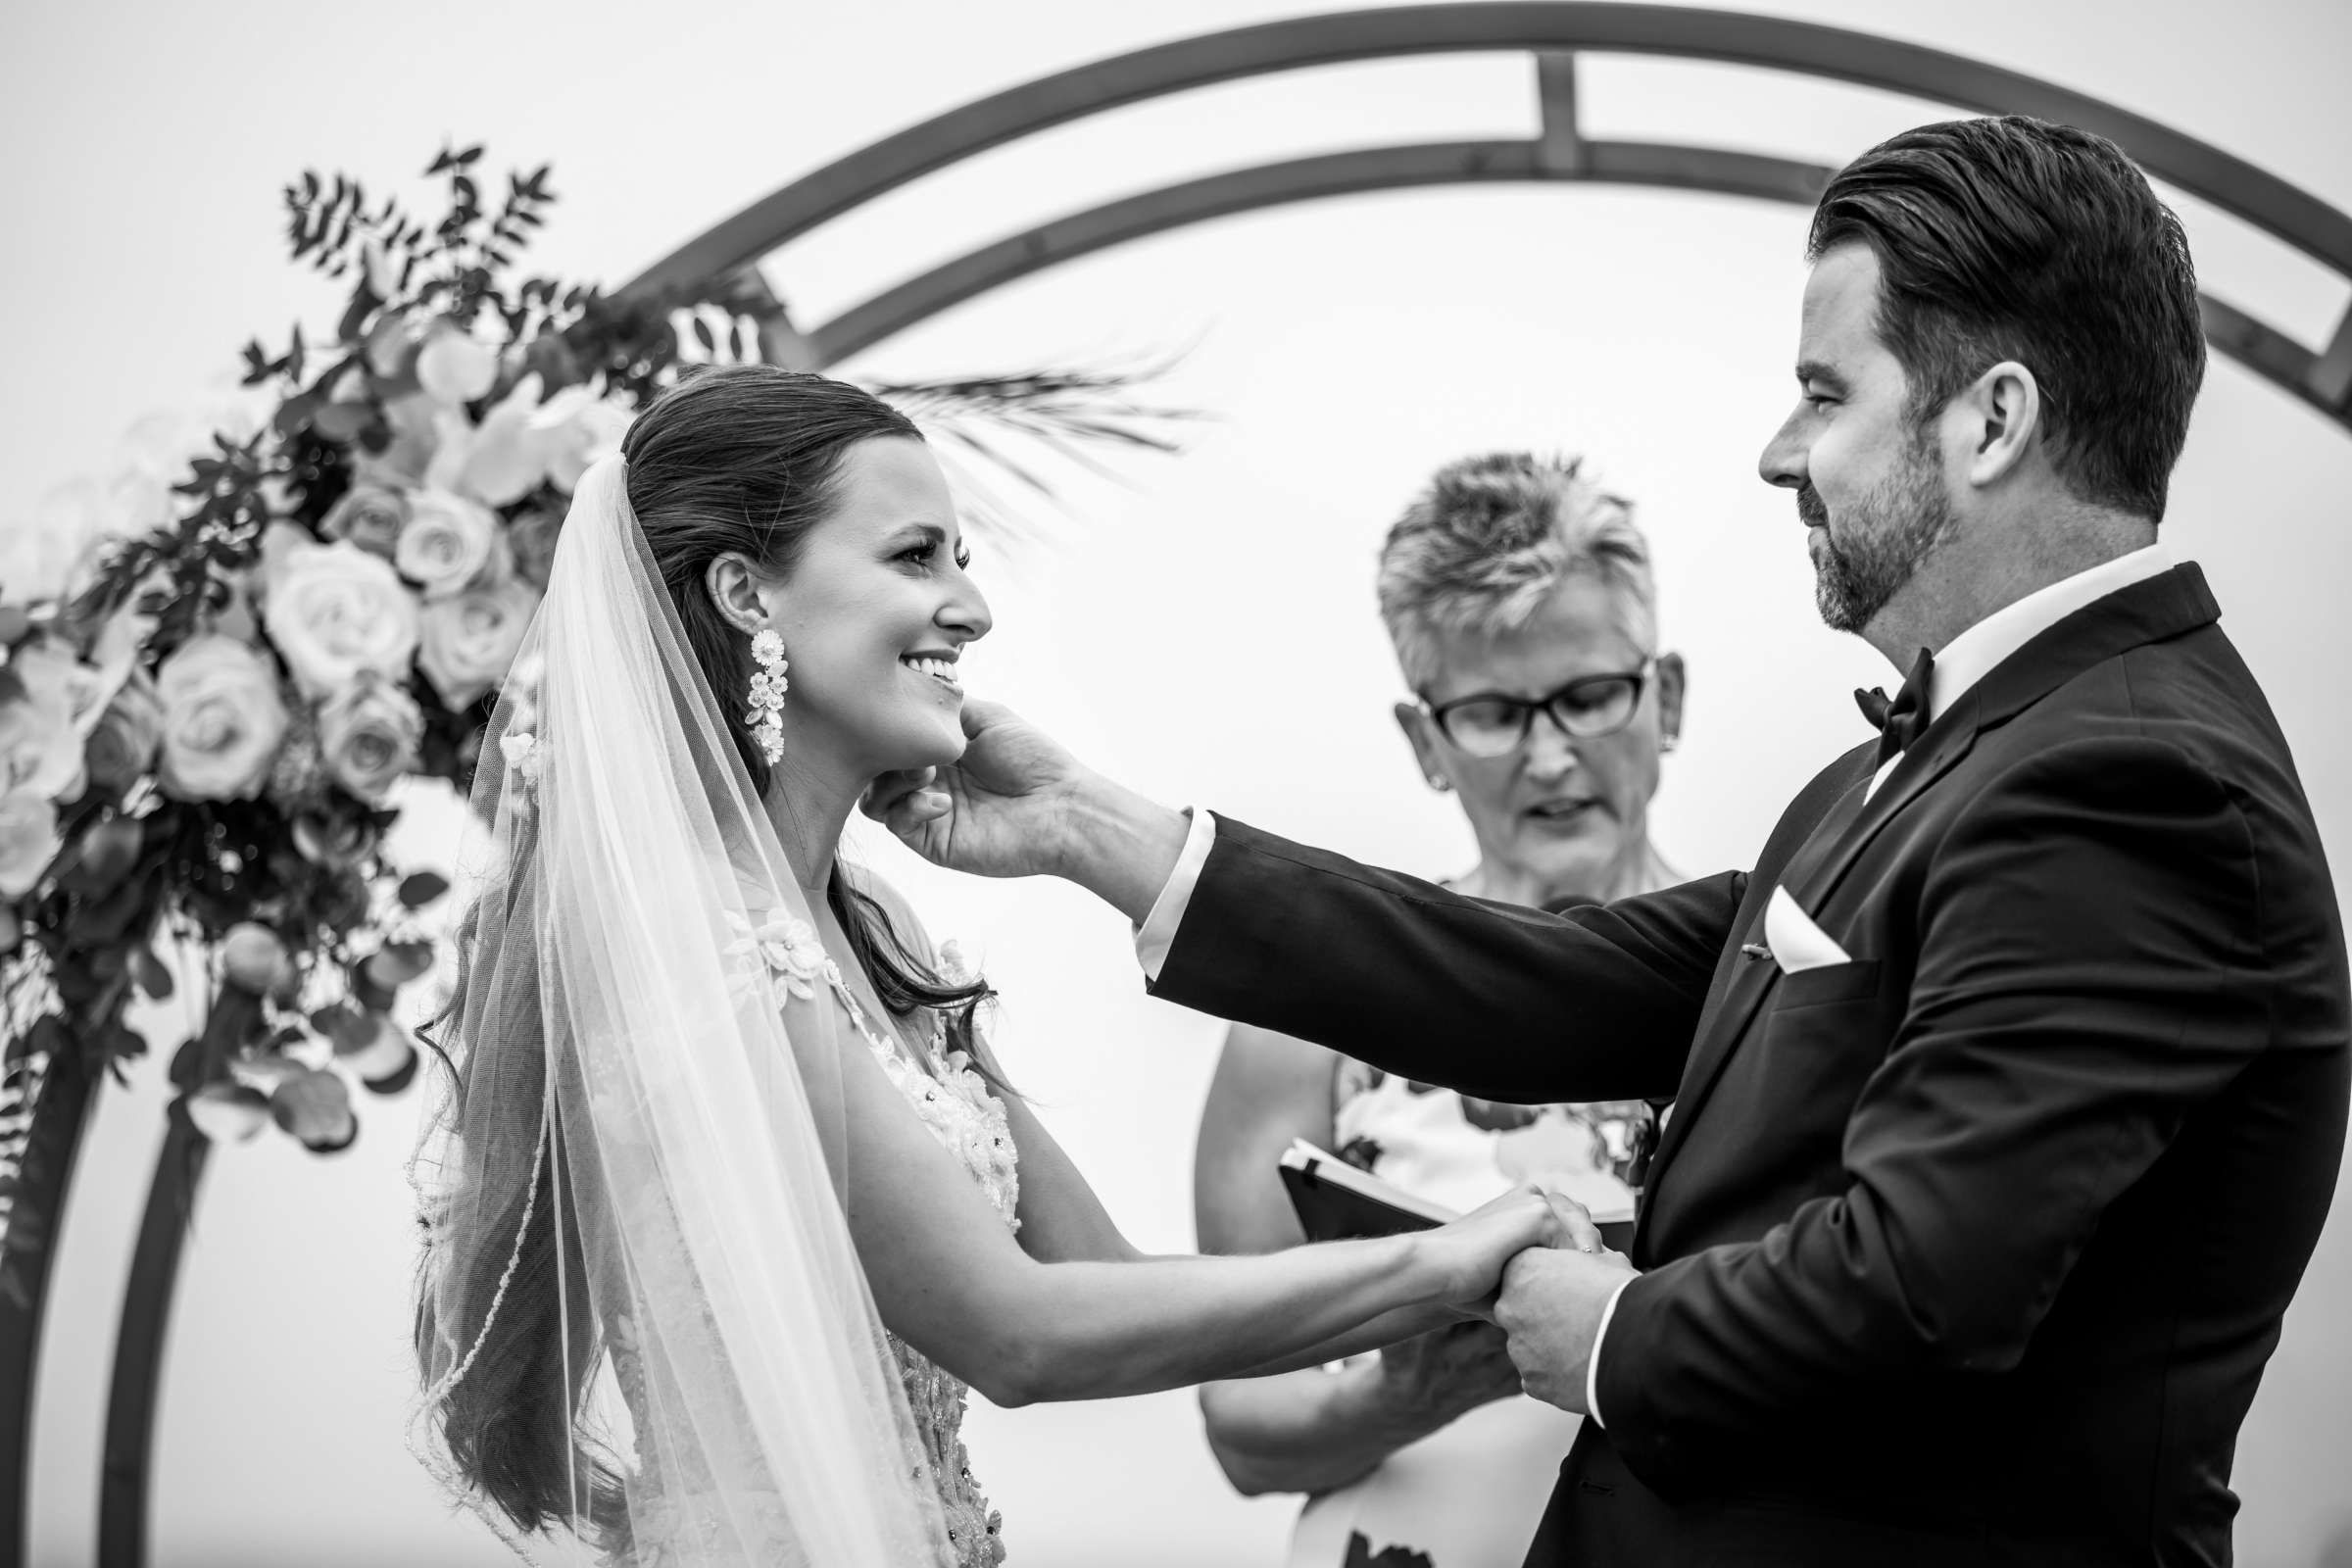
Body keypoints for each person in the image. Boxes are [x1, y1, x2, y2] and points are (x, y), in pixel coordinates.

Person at [868, 116, 2351, 1566]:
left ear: (1993, 420)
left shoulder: (2127, 779)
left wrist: (1605, 1331)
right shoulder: (1942, 760)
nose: (1783, 454)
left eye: (1826, 395)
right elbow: (1557, 981)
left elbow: (1924, 1286)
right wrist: (1086, 826)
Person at [408, 365, 1598, 1568]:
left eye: (960, 559)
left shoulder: (871, 932)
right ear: (744, 593)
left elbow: (1105, 1279)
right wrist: (1443, 1256)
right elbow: (1019, 1333)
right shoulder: (705, 949)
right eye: (917, 556)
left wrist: (1466, 1292)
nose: (971, 608)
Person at [1192, 452, 1679, 1568]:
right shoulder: (1308, 1018)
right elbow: (1241, 1431)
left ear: (1670, 699)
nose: (1553, 754)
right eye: (1495, 713)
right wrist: (1406, 1395)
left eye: (1592, 695)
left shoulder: (1781, 987)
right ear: (1425, 740)